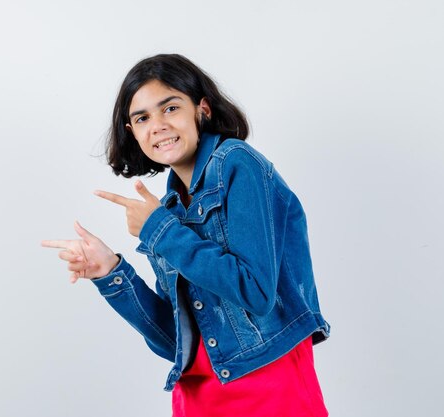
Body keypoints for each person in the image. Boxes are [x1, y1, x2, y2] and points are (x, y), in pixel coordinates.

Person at [42, 54, 330, 416]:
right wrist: (111, 272)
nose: (158, 125)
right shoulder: (168, 208)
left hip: (270, 384)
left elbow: (256, 293)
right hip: (196, 396)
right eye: (142, 118)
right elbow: (176, 341)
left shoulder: (236, 163)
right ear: (132, 132)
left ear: (202, 109)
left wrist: (159, 231)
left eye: (171, 108)